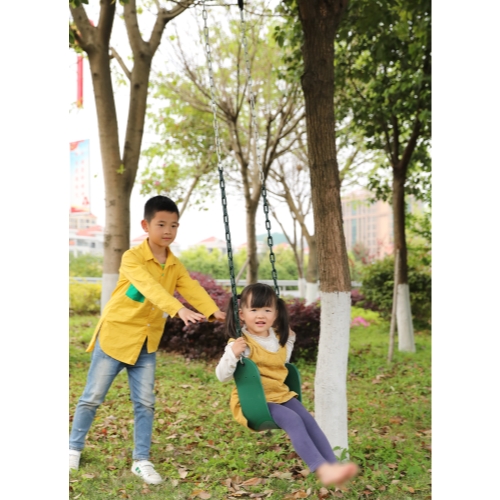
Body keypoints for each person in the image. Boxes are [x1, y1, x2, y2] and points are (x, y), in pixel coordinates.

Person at [69, 195, 226, 484]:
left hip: (146, 344)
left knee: (145, 403)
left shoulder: (174, 264)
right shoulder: (132, 258)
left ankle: (141, 460)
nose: (168, 231)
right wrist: (178, 309)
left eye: (174, 225)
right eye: (161, 224)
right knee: (92, 398)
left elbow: (190, 287)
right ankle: (72, 449)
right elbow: (149, 287)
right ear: (146, 225)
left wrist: (213, 310)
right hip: (116, 337)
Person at [215, 283, 358, 488]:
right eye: (254, 309)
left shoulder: (277, 338)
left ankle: (334, 466)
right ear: (242, 314)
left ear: (275, 314)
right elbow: (222, 376)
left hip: (280, 395)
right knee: (293, 420)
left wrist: (290, 340)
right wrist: (233, 354)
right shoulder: (240, 343)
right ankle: (321, 468)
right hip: (255, 402)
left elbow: (281, 361)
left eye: (267, 310)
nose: (260, 315)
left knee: (309, 420)